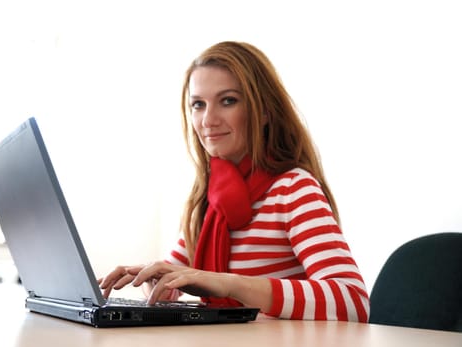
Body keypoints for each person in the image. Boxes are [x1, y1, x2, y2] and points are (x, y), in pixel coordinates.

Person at [98, 41, 369, 322]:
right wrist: (148, 276)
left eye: (228, 101)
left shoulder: (293, 189)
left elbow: (352, 301)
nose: (208, 120)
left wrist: (231, 283)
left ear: (263, 111)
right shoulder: (207, 199)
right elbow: (174, 282)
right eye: (198, 105)